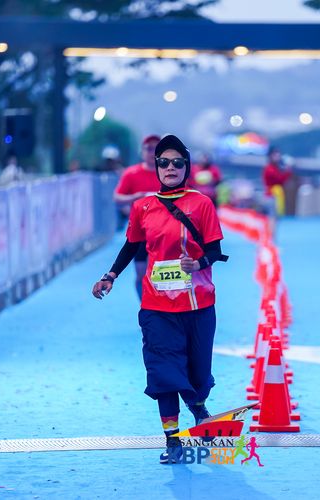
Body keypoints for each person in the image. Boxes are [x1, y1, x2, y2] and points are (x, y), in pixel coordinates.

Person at [92, 134, 227, 465]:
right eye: (163, 162)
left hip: (198, 305)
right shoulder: (143, 206)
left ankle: (198, 407)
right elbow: (131, 246)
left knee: (198, 375)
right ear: (156, 167)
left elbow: (215, 250)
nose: (170, 167)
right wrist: (110, 275)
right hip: (157, 307)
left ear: (186, 167)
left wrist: (198, 264)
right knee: (163, 371)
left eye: (177, 163)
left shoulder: (201, 204)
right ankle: (173, 440)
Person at [113, 135, 161, 299]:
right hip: (140, 231)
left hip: (165, 231)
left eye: (156, 148)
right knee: (141, 273)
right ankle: (144, 303)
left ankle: (164, 305)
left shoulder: (169, 172)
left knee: (163, 272)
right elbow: (117, 198)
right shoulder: (131, 173)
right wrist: (135, 197)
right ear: (142, 151)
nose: (152, 152)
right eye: (149, 148)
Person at [262, 146, 292, 216]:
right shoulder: (269, 169)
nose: (278, 157)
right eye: (275, 155)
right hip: (272, 195)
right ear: (270, 156)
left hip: (276, 195)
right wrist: (288, 171)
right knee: (273, 215)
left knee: (277, 215)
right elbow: (279, 179)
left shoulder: (275, 167)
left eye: (278, 155)